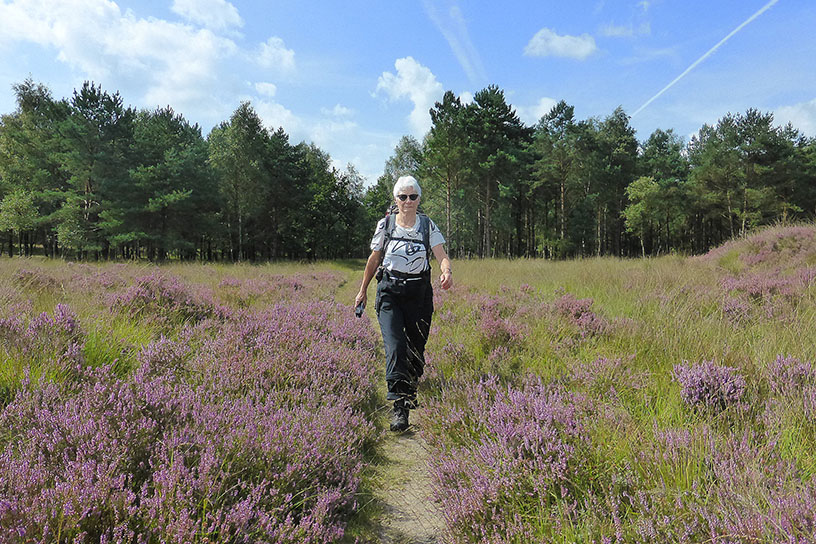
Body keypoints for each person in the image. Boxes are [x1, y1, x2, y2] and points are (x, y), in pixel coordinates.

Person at [355, 175, 453, 432]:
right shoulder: (386, 225)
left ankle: (410, 388)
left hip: (419, 295)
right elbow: (374, 259)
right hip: (390, 293)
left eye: (413, 196)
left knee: (415, 349)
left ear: (419, 199)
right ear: (396, 199)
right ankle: (400, 406)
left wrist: (446, 271)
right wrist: (362, 290)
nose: (408, 201)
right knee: (396, 346)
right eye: (403, 197)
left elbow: (441, 255)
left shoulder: (427, 225)